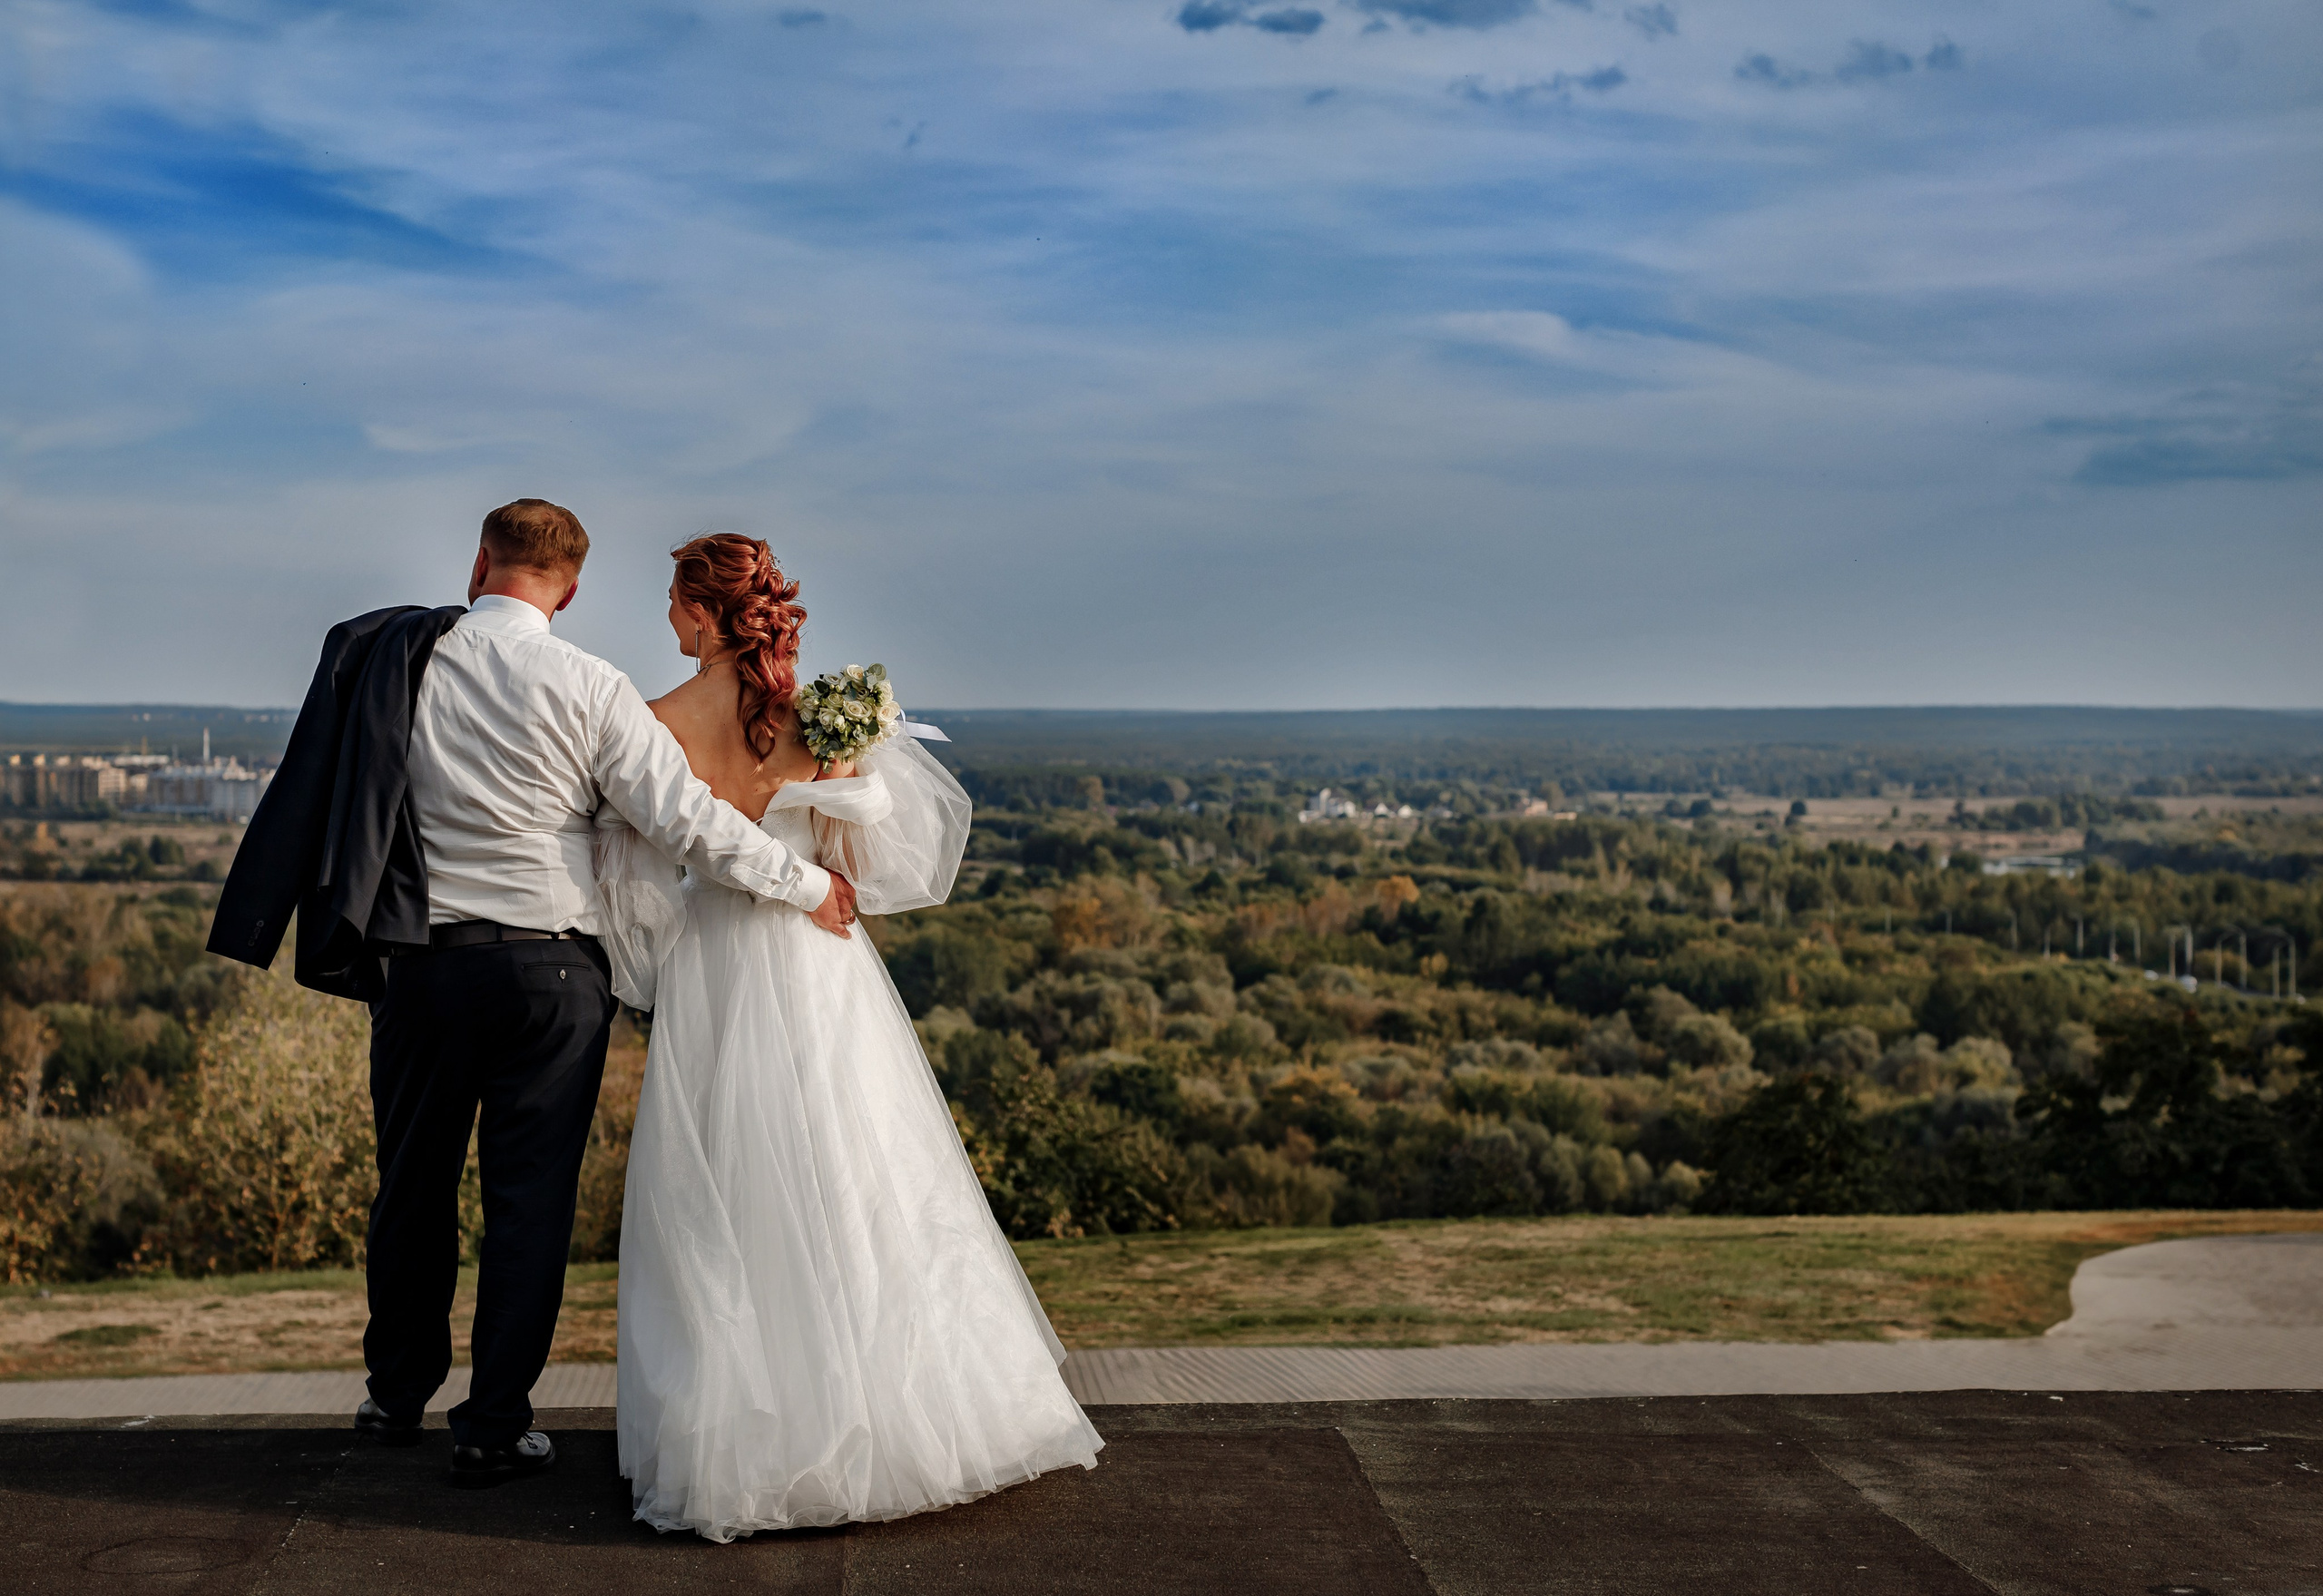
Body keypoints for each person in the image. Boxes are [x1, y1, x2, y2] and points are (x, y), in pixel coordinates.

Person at [349, 501, 858, 1485]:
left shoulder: (404, 664)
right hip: (550, 974)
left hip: (423, 963)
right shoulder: (592, 685)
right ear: (571, 588)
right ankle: (494, 1423)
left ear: (478, 564)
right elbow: (682, 821)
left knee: (411, 1188)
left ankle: (395, 1394)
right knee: (528, 1202)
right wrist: (805, 886)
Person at [606, 533, 1101, 1541]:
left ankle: (746, 1436)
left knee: (726, 1188)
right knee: (852, 1170)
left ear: (704, 615)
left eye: (671, 599)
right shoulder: (821, 716)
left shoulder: (653, 724)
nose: (665, 615)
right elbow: (859, 861)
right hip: (818, 957)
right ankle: (898, 1412)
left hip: (716, 964)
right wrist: (830, 802)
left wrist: (657, 960)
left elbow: (642, 885)